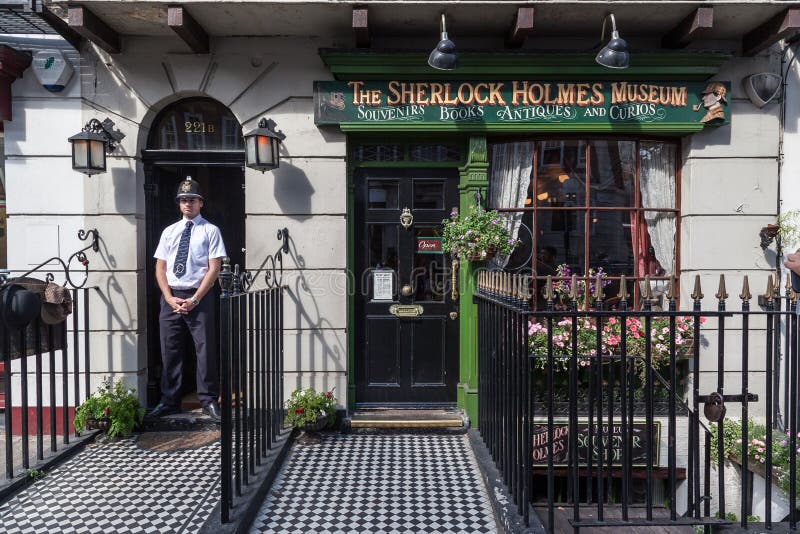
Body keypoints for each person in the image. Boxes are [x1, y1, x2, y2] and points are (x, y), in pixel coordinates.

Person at [146, 177, 227, 422]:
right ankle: (169, 401)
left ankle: (208, 400)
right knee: (170, 350)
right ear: (179, 204)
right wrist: (169, 298)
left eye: (191, 199)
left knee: (205, 350)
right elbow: (160, 268)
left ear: (201, 203)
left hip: (199, 297)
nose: (187, 204)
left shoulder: (210, 231)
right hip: (172, 297)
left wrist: (195, 298)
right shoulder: (169, 232)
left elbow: (214, 268)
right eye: (183, 200)